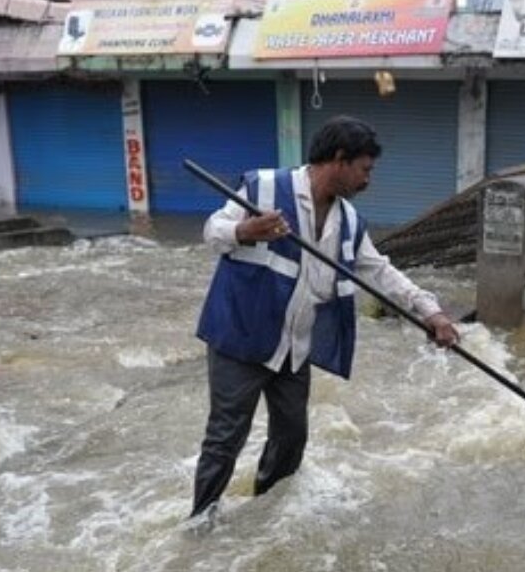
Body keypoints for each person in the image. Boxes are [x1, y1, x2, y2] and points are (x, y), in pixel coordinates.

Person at [190, 115, 459, 519]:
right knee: (226, 435)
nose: (369, 180)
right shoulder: (264, 187)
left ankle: (266, 513)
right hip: (240, 337)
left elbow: (379, 270)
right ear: (338, 159)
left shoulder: (348, 220)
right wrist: (246, 231)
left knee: (292, 437)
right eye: (364, 169)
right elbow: (213, 231)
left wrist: (430, 311)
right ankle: (200, 521)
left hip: (292, 347)